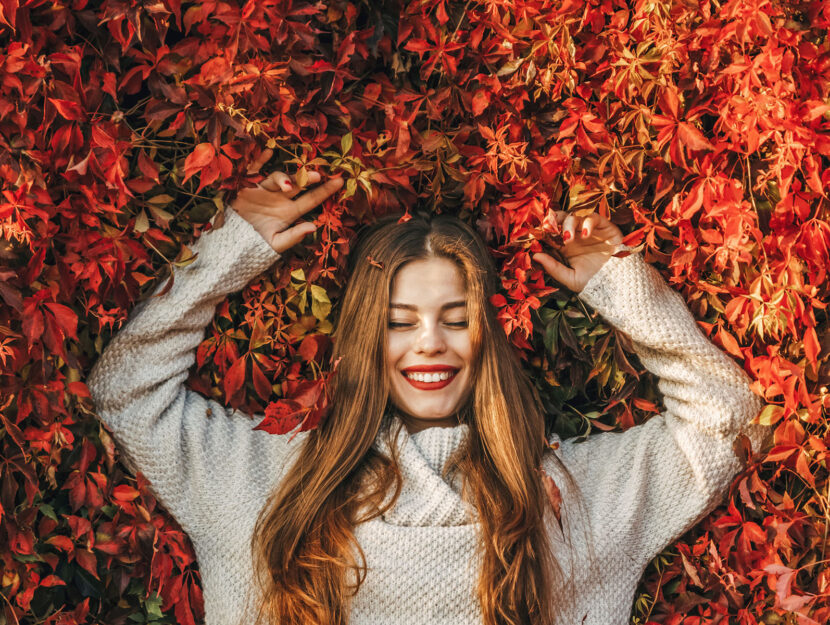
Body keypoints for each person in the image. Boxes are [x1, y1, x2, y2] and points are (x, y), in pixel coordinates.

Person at [87, 170, 769, 625]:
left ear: (488, 335)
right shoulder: (264, 483)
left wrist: (622, 286)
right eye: (399, 321)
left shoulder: (573, 499)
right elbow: (124, 390)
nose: (430, 343)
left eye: (457, 315)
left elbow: (727, 419)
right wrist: (228, 252)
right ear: (362, 337)